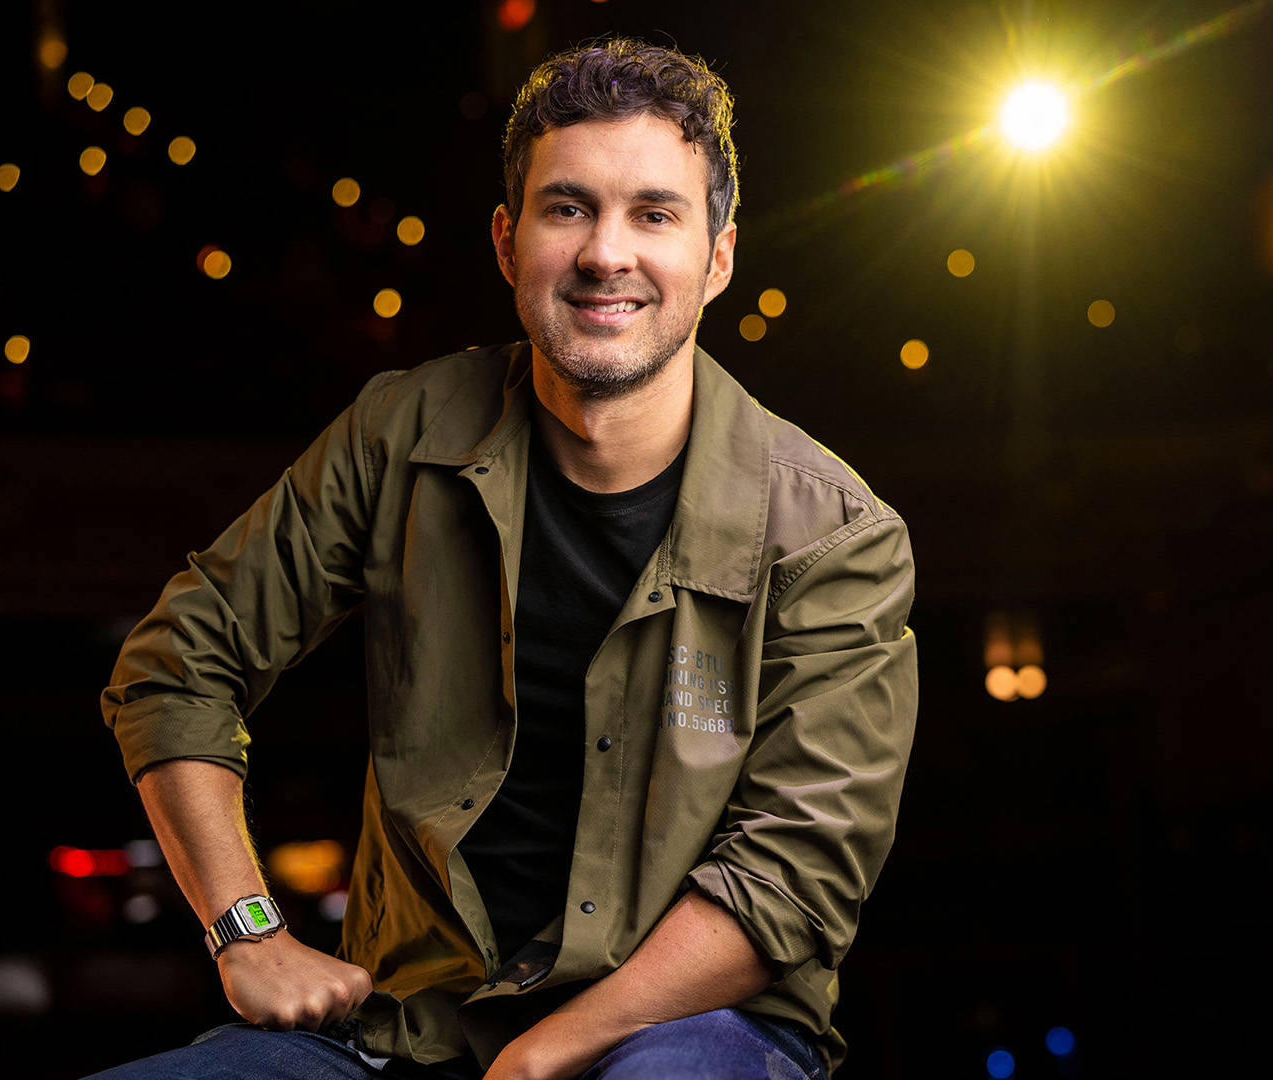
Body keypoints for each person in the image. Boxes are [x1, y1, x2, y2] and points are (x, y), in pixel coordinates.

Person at [90, 37, 917, 1080]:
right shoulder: (400, 432)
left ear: (718, 258)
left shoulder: (836, 535)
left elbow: (792, 876)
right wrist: (245, 929)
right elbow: (179, 659)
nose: (605, 253)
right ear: (505, 239)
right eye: (567, 208)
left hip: (699, 1031)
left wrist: (540, 1060)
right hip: (408, 1027)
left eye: (654, 214)